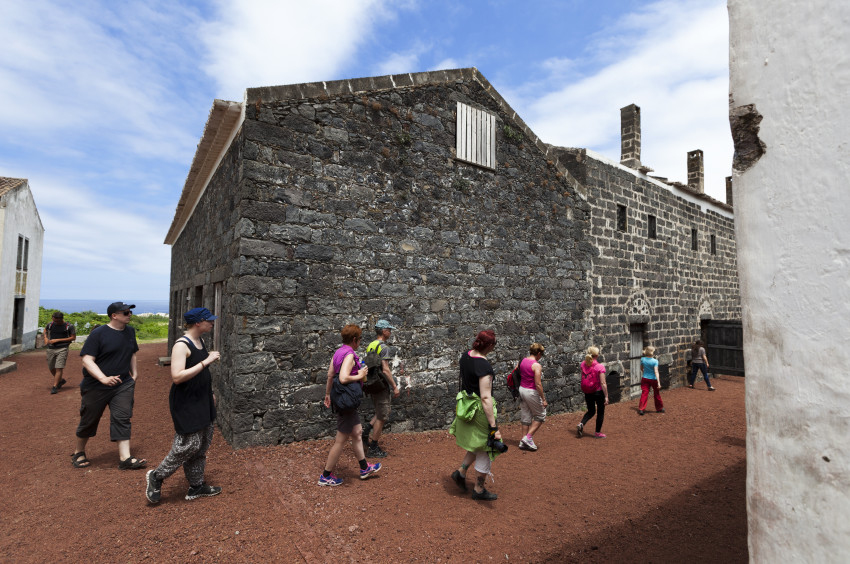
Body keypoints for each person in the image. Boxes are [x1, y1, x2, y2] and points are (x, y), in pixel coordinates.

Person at [146, 307, 222, 504]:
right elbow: (177, 377)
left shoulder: (200, 340)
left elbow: (200, 375)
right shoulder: (182, 345)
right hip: (187, 401)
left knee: (203, 443)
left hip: (202, 398)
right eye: (209, 320)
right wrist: (207, 361)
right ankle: (157, 476)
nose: (212, 323)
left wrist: (209, 393)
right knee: (188, 444)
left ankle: (196, 486)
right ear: (198, 322)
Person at [70, 302, 146, 470]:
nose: (129, 314)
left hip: (123, 384)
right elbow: (87, 360)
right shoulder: (98, 334)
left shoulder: (130, 331)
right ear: (114, 316)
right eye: (126, 312)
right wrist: (103, 378)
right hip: (96, 385)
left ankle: (125, 458)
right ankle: (79, 451)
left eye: (130, 312)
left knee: (122, 417)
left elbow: (132, 352)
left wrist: (134, 373)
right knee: (89, 418)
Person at [318, 324, 381, 486]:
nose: (360, 342)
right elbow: (344, 377)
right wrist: (360, 375)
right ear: (354, 340)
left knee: (357, 432)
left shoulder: (338, 352)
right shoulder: (349, 355)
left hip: (341, 400)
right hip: (347, 401)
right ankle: (325, 475)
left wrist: (327, 394)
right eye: (359, 339)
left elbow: (330, 374)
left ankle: (364, 467)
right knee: (341, 439)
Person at [449, 330, 504, 501]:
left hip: (467, 406)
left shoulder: (466, 356)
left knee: (476, 443)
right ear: (489, 345)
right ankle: (479, 489)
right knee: (488, 446)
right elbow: (486, 397)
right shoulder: (484, 366)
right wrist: (494, 427)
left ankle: (461, 472)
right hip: (479, 410)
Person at [361, 320, 401, 458]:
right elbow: (385, 370)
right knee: (383, 415)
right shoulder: (384, 347)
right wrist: (394, 386)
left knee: (379, 411)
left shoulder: (371, 345)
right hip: (381, 385)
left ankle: (366, 433)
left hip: (372, 384)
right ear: (384, 331)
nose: (390, 332)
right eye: (389, 330)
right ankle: (373, 447)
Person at [518, 343, 547, 451]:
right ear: (538, 353)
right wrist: (543, 399)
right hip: (531, 391)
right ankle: (527, 438)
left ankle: (522, 441)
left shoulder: (523, 361)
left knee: (526, 415)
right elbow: (538, 384)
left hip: (522, 389)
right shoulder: (536, 365)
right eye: (541, 354)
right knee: (541, 415)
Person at [577, 346, 609, 439]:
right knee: (600, 412)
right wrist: (606, 396)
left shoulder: (583, 364)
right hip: (598, 392)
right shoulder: (599, 366)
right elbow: (603, 383)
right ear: (597, 355)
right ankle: (598, 433)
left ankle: (581, 423)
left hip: (588, 391)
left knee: (591, 411)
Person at [44, 311, 75, 394]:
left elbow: (73, 337)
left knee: (59, 367)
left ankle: (55, 386)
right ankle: (60, 380)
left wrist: (58, 340)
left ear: (62, 319)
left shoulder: (69, 326)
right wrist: (46, 338)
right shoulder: (50, 324)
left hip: (63, 348)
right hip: (51, 349)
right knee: (51, 367)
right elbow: (45, 331)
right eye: (54, 320)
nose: (56, 323)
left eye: (57, 321)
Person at [638, 346, 665, 415]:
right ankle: (659, 408)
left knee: (644, 394)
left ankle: (641, 408)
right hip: (653, 379)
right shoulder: (655, 361)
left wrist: (645, 372)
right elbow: (656, 372)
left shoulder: (642, 359)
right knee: (656, 394)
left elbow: (641, 368)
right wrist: (659, 382)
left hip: (645, 378)